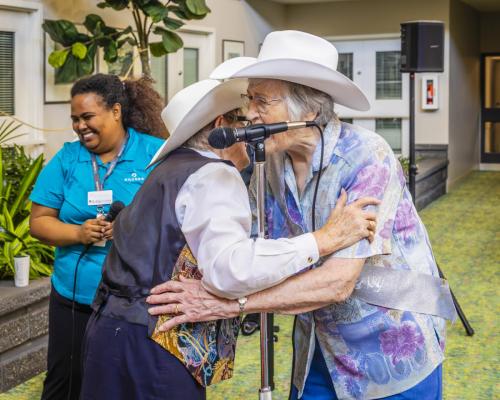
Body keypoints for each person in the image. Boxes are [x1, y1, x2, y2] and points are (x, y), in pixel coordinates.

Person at [147, 31, 457, 400]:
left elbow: (338, 282)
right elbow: (257, 249)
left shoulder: (365, 157)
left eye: (263, 100)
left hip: (390, 347)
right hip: (321, 342)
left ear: (308, 111)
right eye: (249, 99)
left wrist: (229, 304)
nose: (250, 114)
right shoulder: (271, 163)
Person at [79, 78, 379, 400]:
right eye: (243, 120)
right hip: (156, 343)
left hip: (110, 332)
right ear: (223, 127)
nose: (252, 125)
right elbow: (230, 270)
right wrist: (321, 241)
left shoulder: (170, 169)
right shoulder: (214, 173)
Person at [29, 73, 166, 400]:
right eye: (75, 119)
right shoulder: (67, 158)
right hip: (74, 297)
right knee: (66, 380)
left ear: (116, 111)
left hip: (137, 300)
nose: (80, 126)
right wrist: (78, 232)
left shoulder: (156, 154)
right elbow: (39, 221)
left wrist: (129, 228)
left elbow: (176, 217)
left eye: (87, 117)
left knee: (127, 382)